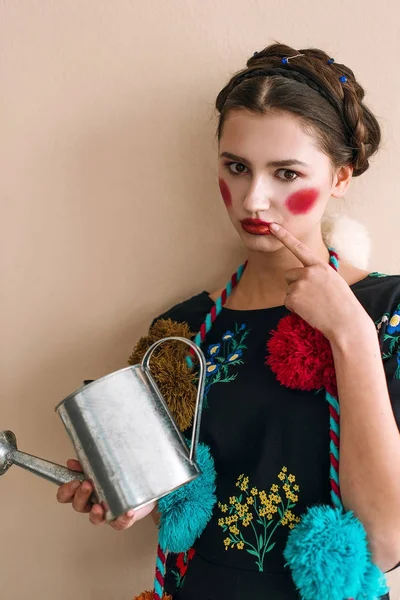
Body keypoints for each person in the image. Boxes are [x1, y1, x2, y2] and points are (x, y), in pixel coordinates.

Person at [56, 42, 400, 599]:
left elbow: (386, 543)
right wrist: (123, 494)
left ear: (340, 178)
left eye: (286, 173)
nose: (253, 199)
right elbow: (170, 508)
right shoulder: (179, 334)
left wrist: (351, 332)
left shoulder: (387, 314)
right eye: (236, 167)